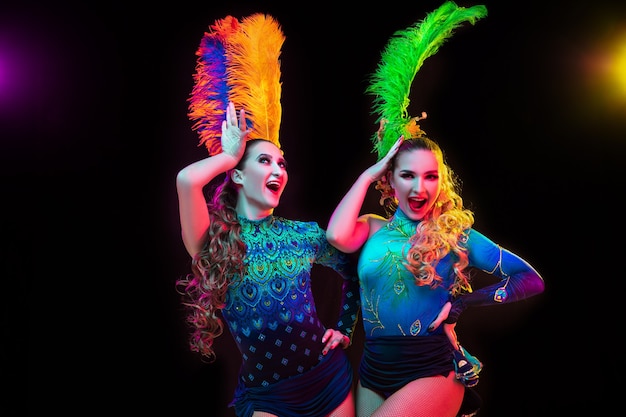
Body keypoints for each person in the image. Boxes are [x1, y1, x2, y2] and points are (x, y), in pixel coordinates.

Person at [175, 14, 360, 417]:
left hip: (328, 381)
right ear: (238, 175)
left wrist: (343, 330)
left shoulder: (303, 234)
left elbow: (352, 270)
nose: (278, 170)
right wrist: (227, 155)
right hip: (267, 397)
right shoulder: (211, 240)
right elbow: (187, 181)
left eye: (282, 163)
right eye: (265, 161)